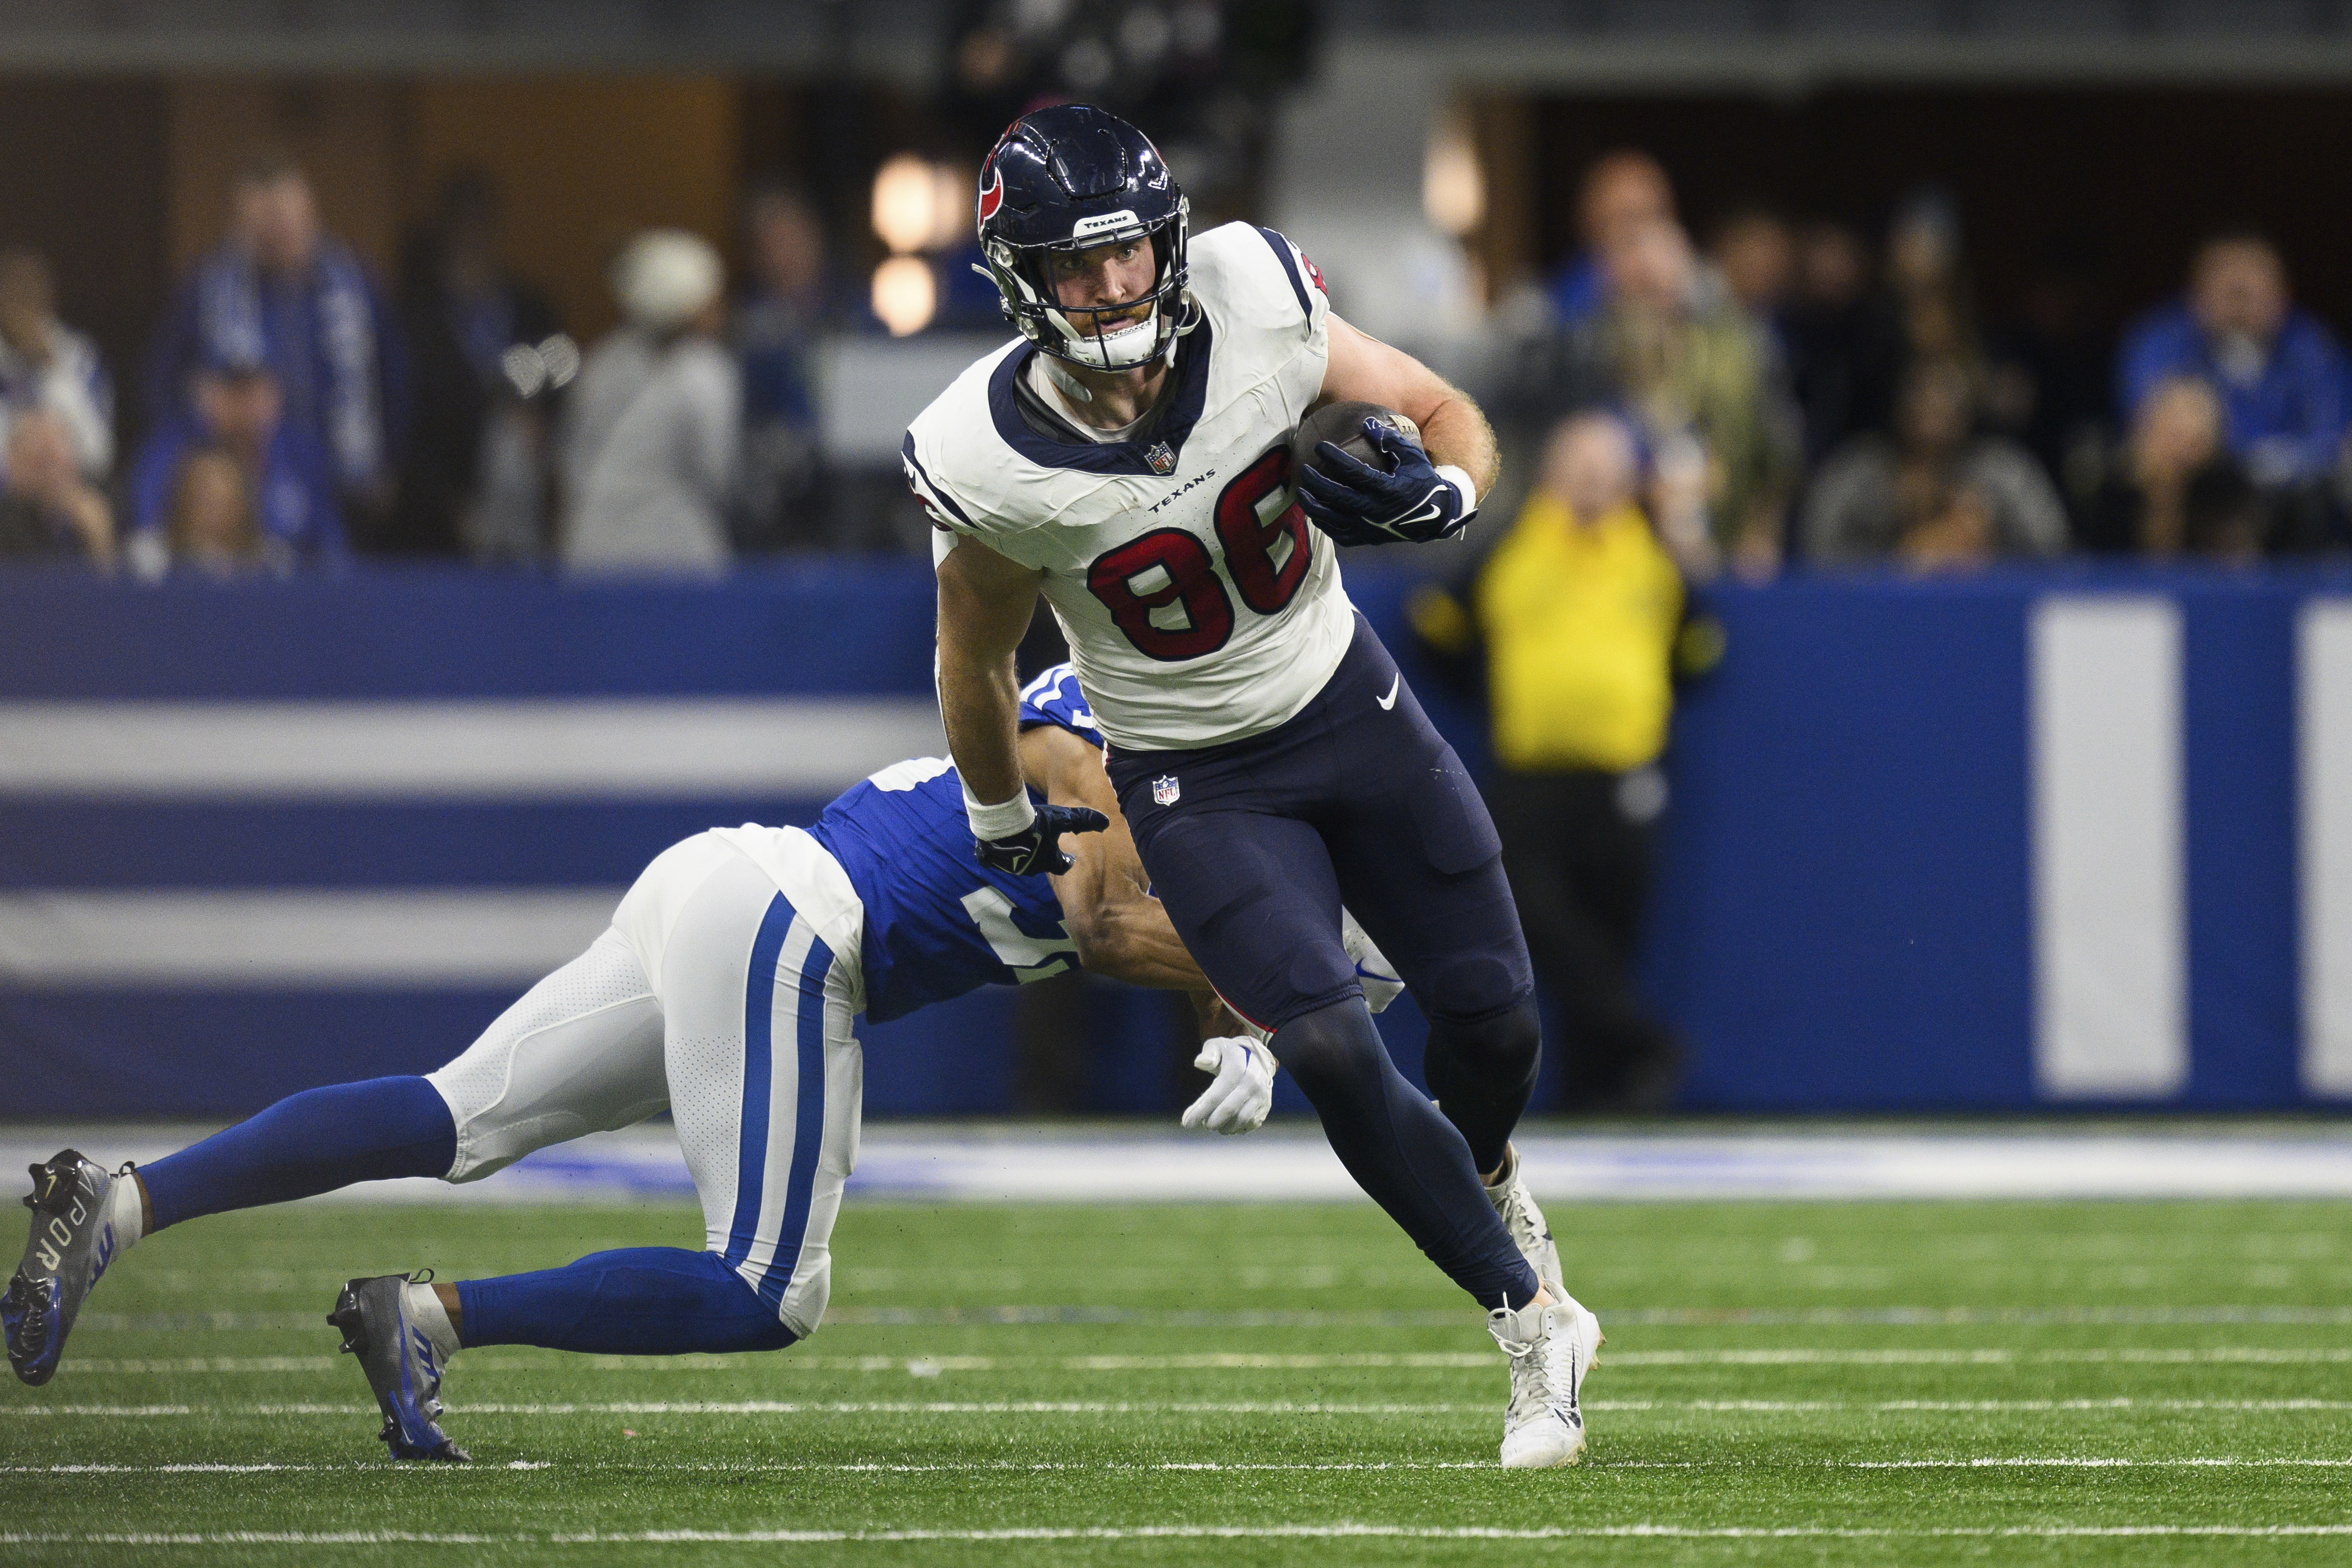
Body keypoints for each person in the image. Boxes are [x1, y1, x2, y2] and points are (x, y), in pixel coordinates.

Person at [6, 667, 1404, 1460]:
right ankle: (431, 1314)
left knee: (455, 1115)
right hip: (797, 920)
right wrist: (1285, 984)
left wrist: (1250, 1005)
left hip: (734, 890)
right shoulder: (1109, 717)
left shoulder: (1184, 780)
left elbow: (1174, 918)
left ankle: (116, 1201)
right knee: (770, 1289)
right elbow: (1101, 920)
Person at [908, 104, 1600, 1471]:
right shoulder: (985, 453)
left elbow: (1444, 412)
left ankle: (1494, 1188)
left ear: (1167, 242)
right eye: (1076, 264)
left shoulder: (1252, 293)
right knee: (1330, 1048)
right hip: (1192, 777)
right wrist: (997, 813)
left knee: (1498, 1026)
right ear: (1020, 281)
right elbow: (970, 655)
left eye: (1128, 252)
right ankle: (1530, 1323)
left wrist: (1450, 496)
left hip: (1348, 708)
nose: (1113, 285)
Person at [1411, 412, 1690, 1112]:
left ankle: (1598, 1094)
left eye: (1605, 468)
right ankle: (1640, 1040)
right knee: (1534, 914)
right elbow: (1437, 621)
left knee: (1613, 928)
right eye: (1579, 465)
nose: (1592, 481)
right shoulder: (1512, 544)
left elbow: (1699, 644)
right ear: (1550, 471)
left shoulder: (1651, 553)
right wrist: (1486, 689)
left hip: (1624, 773)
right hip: (1530, 774)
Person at [145, 151, 407, 530]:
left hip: (350, 485)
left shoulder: (357, 285)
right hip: (251, 492)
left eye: (288, 218)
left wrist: (391, 463)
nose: (279, 232)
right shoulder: (207, 289)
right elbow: (163, 383)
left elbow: (395, 380)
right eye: (265, 223)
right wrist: (202, 411)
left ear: (310, 213)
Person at [390, 171, 565, 559]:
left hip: (524, 508)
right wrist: (449, 503)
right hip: (443, 520)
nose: (473, 238)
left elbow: (563, 373)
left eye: (481, 224)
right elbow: (407, 422)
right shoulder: (417, 320)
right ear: (445, 231)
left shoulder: (529, 308)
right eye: (463, 226)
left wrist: (540, 415)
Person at [560, 230, 741, 573]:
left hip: (589, 549)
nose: (721, 308)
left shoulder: (602, 360)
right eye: (712, 298)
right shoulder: (706, 370)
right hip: (673, 556)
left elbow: (571, 460)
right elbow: (717, 474)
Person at [2117, 231, 2345, 492]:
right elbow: (2149, 427)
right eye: (2230, 292)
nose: (2240, 309)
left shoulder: (2312, 345)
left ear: (2283, 296)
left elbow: (2332, 436)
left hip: (2295, 499)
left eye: (2252, 292)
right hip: (2198, 493)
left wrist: (2263, 465)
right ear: (2196, 294)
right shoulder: (2159, 340)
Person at [1801, 356, 2067, 569]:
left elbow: (2055, 548)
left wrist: (1989, 535)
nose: (1933, 406)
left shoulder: (2003, 471)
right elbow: (1815, 553)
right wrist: (1899, 548)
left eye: (1945, 395)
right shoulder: (1858, 471)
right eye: (1921, 394)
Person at [124, 350, 345, 573]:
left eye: (251, 391)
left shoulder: (300, 453)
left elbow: (334, 554)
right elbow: (146, 536)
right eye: (229, 390)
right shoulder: (170, 451)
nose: (241, 405)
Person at [732, 183, 829, 552]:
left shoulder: (856, 312)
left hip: (842, 482)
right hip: (773, 492)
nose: (787, 253)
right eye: (773, 242)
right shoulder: (745, 329)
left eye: (794, 237)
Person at [2081, 375, 2263, 560]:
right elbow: (2101, 563)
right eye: (2174, 436)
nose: (2182, 452)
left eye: (2194, 442)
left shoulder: (2227, 493)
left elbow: (2240, 561)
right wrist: (2161, 495)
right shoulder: (2116, 492)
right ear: (2149, 429)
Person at [0, 249, 113, 482]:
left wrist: (50, 369)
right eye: (14, 295)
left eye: (31, 293)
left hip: (68, 484)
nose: (24, 307)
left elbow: (99, 454)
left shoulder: (80, 356)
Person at [1545, 149, 1675, 328]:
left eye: (1650, 216)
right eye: (1626, 218)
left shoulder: (1693, 286)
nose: (1638, 233)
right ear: (1590, 223)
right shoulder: (1549, 301)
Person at [0, 408, 113, 567]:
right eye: (42, 461)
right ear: (14, 460)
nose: (52, 475)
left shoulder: (98, 503)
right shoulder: (7, 522)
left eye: (57, 457)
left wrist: (98, 538)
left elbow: (110, 577)